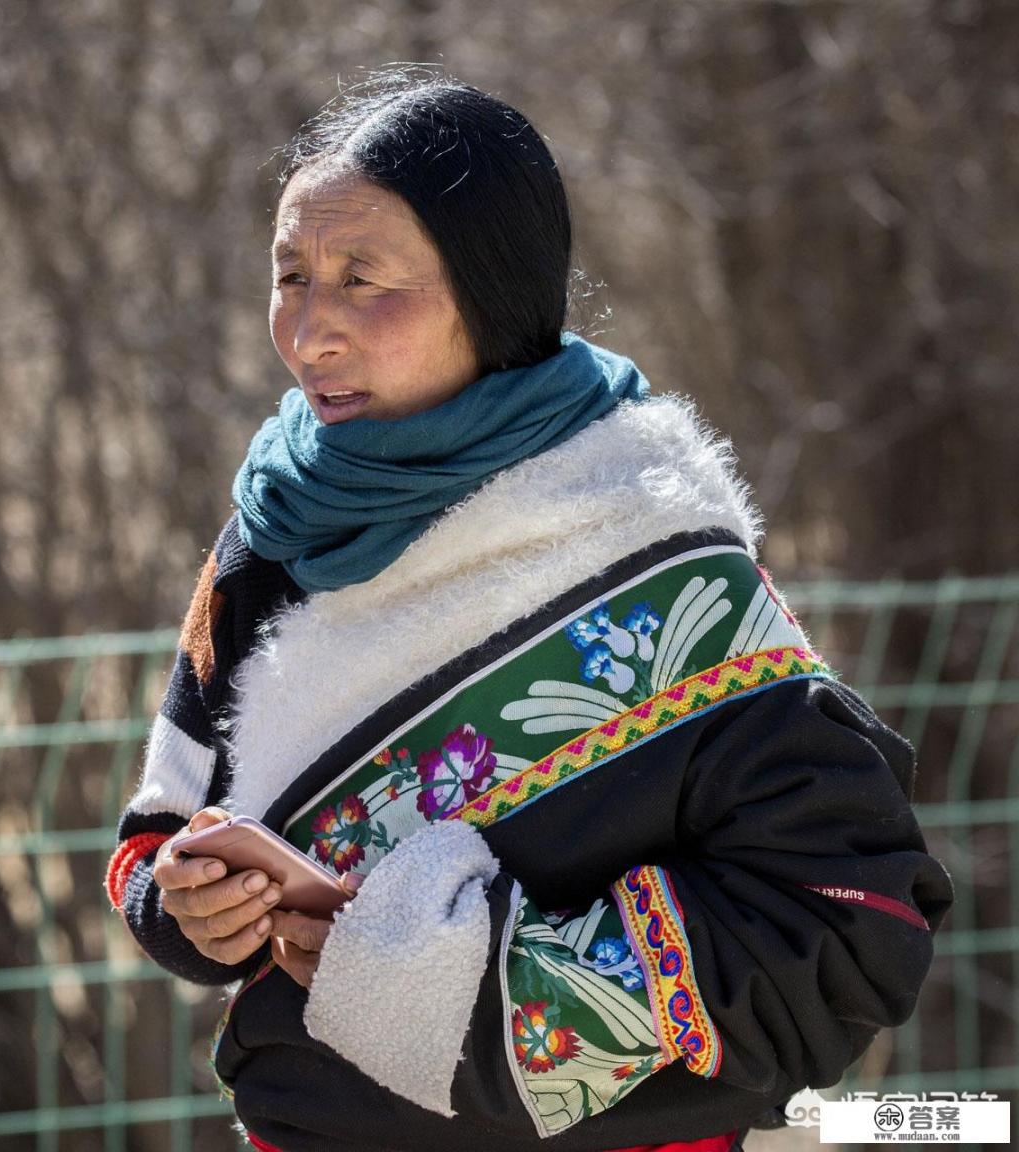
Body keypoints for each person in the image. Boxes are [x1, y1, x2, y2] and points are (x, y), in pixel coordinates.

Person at [106, 73, 953, 1152]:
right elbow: (159, 830)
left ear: (493, 291)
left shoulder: (647, 556)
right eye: (290, 275)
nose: (309, 331)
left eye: (365, 282)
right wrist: (187, 909)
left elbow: (847, 915)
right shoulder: (275, 533)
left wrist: (472, 977)